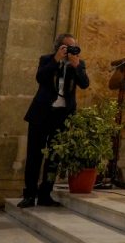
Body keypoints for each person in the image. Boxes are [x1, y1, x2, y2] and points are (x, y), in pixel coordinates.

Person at [18, 33, 89, 208]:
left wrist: (77, 67)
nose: (69, 50)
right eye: (66, 47)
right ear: (58, 47)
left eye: (73, 46)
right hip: (41, 114)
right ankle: (29, 195)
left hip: (62, 116)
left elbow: (85, 84)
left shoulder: (78, 63)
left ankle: (45, 194)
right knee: (34, 156)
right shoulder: (46, 59)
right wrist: (55, 61)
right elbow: (40, 78)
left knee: (54, 158)